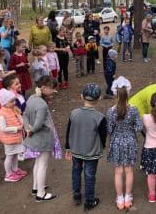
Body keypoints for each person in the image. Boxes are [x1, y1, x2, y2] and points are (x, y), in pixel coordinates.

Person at [65, 83, 107, 211]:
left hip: (76, 149)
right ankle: (89, 200)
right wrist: (102, 146)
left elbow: (68, 131)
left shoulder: (74, 113)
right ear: (99, 98)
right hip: (92, 152)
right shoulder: (100, 117)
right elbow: (103, 136)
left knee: (76, 171)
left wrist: (68, 147)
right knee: (89, 175)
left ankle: (77, 194)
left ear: (82, 96)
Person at [23, 76, 61, 202]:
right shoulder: (42, 104)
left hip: (34, 139)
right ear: (44, 88)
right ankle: (41, 193)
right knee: (43, 165)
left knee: (38, 163)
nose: (53, 92)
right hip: (43, 138)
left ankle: (36, 187)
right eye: (52, 89)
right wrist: (32, 129)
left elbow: (25, 115)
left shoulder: (31, 98)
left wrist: (27, 128)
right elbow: (38, 124)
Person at [106, 77, 142, 210]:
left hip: (116, 142)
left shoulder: (111, 111)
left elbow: (109, 130)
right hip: (130, 142)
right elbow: (138, 127)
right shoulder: (134, 110)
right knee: (129, 171)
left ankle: (120, 199)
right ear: (128, 92)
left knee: (118, 172)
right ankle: (128, 197)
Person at [0, 88, 27, 182]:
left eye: (14, 101)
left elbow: (19, 118)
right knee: (9, 156)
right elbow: (3, 128)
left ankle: (15, 169)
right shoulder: (1, 114)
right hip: (9, 139)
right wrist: (17, 128)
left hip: (16, 137)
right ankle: (8, 174)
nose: (14, 103)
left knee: (15, 154)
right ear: (4, 102)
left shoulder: (13, 109)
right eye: (11, 101)